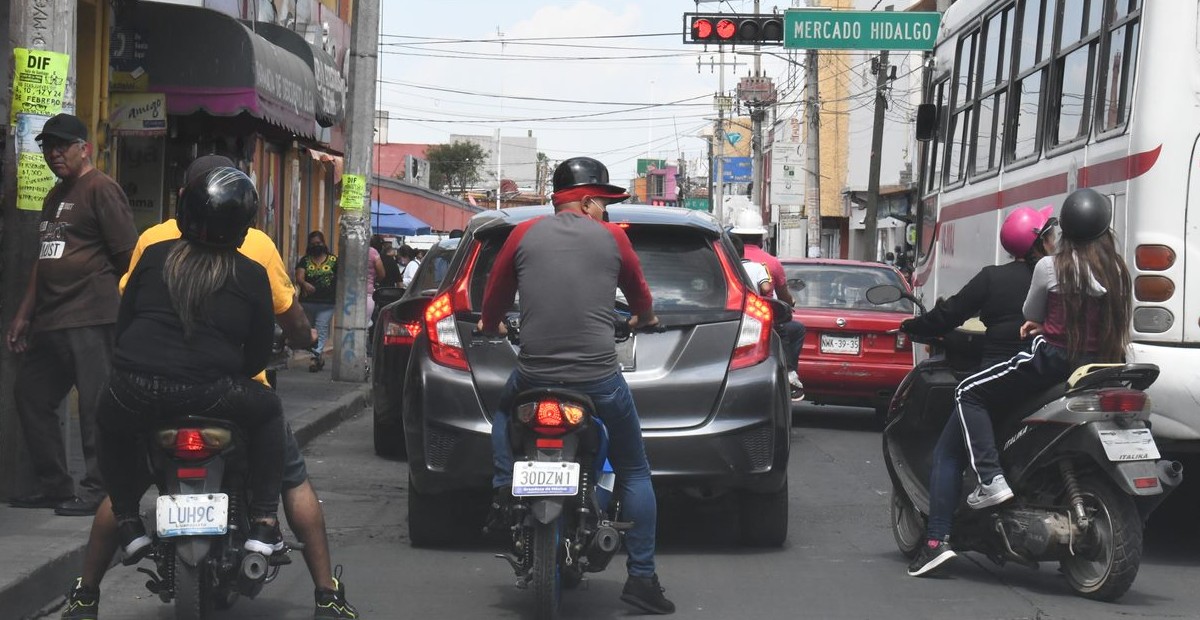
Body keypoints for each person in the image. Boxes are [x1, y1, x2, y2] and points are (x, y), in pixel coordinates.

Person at [62, 156, 357, 620]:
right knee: (272, 423)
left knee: (110, 424)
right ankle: (273, 536)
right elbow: (258, 357)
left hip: (136, 390)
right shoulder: (253, 266)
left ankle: (119, 535)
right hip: (217, 395)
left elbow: (124, 326)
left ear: (186, 204)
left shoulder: (153, 249)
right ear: (242, 224)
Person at [478, 156, 675, 615]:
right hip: (598, 381)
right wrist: (645, 319)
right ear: (586, 202)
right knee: (634, 469)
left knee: (505, 412)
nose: (606, 213)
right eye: (603, 204)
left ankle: (505, 486)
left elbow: (495, 298)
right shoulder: (613, 240)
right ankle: (642, 577)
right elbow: (641, 295)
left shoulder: (522, 235)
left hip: (534, 377)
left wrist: (493, 327)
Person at [907, 188, 1132, 577]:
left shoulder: (1049, 268)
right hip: (1098, 365)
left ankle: (984, 486)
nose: (1051, 239)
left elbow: (1029, 312)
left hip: (1048, 363)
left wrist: (1040, 325)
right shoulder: (1117, 270)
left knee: (967, 393)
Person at [5, 113, 138, 517]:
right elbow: (43, 261)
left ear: (85, 148)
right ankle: (55, 486)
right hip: (52, 319)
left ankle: (99, 488)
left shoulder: (101, 189)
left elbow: (128, 257)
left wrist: (127, 315)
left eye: (63, 145)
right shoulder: (54, 195)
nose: (54, 153)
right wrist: (23, 314)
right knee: (30, 394)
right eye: (48, 146)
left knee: (96, 404)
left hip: (92, 316)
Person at [902, 206, 1057, 367]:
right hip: (1046, 370)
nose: (1054, 244)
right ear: (1042, 243)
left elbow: (950, 313)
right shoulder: (1056, 278)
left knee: (964, 393)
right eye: (1051, 238)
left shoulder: (991, 277)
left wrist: (910, 325)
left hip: (996, 371)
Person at [728, 211, 806, 398]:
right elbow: (781, 296)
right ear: (761, 239)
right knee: (796, 329)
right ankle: (789, 373)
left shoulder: (727, 261)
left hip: (731, 317)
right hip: (762, 319)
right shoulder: (770, 263)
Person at [296, 231, 338, 372]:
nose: (316, 246)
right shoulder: (305, 260)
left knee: (321, 328)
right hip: (308, 302)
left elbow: (341, 278)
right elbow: (299, 276)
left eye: (319, 243)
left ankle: (315, 357)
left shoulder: (333, 260)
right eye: (313, 244)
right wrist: (304, 284)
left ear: (324, 243)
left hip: (327, 302)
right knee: (309, 330)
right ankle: (318, 357)